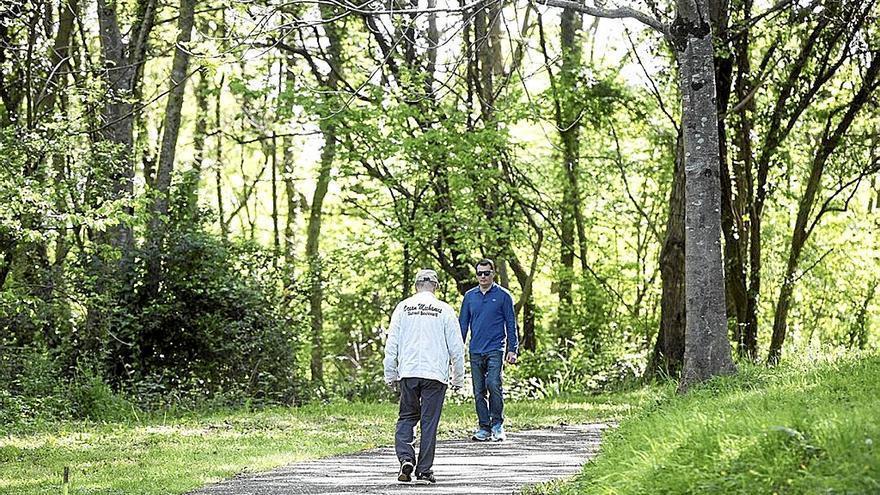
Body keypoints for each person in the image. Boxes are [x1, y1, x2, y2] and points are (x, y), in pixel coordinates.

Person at [383, 268, 465, 484]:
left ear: (416, 286)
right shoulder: (444, 309)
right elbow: (456, 346)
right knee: (429, 422)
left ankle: (405, 459)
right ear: (436, 286)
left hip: (409, 372)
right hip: (435, 375)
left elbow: (392, 343)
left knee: (407, 417)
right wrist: (458, 377)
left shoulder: (403, 307)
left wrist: (390, 373)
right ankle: (425, 469)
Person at [459, 258, 519, 442]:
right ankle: (483, 427)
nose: (483, 276)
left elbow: (511, 323)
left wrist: (512, 349)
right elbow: (462, 324)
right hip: (475, 349)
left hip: (496, 348)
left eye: (486, 273)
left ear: (493, 273)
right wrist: (456, 350)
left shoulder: (503, 296)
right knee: (478, 390)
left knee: (493, 384)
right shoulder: (470, 296)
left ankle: (497, 425)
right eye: (479, 273)